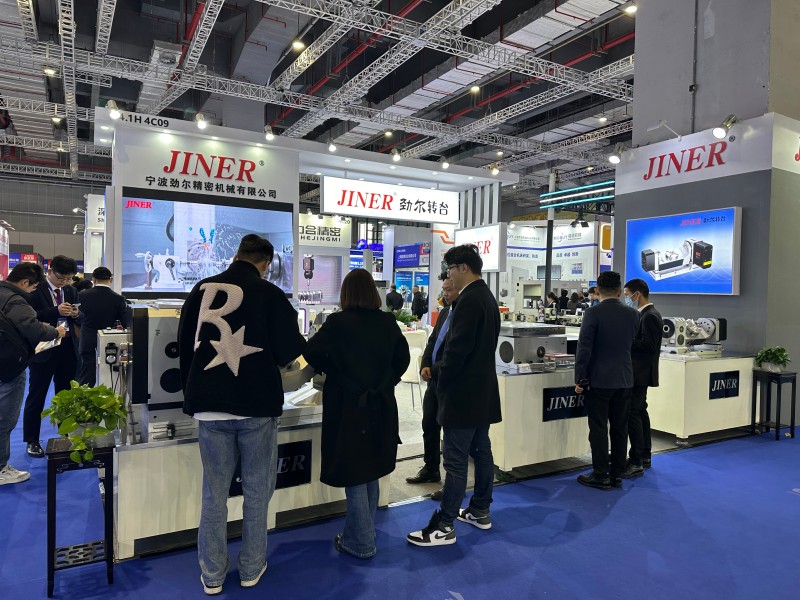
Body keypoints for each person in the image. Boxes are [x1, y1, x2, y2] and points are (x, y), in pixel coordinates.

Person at [178, 234, 306, 595]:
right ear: (265, 263)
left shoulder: (201, 289)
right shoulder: (270, 294)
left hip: (209, 405)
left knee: (214, 494)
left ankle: (212, 574)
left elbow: (185, 346)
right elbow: (289, 353)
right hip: (256, 405)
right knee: (256, 491)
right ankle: (251, 567)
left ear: (236, 255)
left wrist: (195, 393)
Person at [304, 269, 410, 559]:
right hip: (381, 405)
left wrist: (335, 369)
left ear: (346, 294)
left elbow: (311, 353)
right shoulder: (387, 322)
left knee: (353, 472)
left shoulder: (338, 323)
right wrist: (385, 383)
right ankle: (362, 533)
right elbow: (402, 359)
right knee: (372, 468)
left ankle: (362, 542)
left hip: (348, 406)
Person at [407, 244, 501, 547]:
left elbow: (457, 351)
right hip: (480, 393)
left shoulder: (470, 300)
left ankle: (444, 525)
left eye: (450, 269)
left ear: (463, 268)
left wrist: (439, 376)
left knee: (456, 461)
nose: (448, 276)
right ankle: (479, 510)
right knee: (481, 452)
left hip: (462, 395)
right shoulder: (486, 297)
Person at [574, 271, 639, 490]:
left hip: (599, 380)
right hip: (625, 379)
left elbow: (584, 348)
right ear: (619, 291)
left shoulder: (593, 313)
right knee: (620, 428)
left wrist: (580, 379)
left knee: (599, 428)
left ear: (597, 291)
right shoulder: (633, 314)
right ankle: (617, 473)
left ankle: (601, 474)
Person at [0, 263, 64, 485]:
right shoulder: (15, 300)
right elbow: (33, 328)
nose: (33, 291)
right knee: (6, 419)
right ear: (25, 282)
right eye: (33, 287)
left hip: (6, 361)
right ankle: (2, 467)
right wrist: (55, 331)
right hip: (12, 365)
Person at [406, 274, 460, 499]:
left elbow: (455, 353)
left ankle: (452, 483)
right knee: (429, 423)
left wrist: (434, 369)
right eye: (443, 290)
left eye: (449, 290)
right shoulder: (445, 313)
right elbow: (433, 342)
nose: (445, 294)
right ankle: (431, 469)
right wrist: (425, 364)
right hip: (434, 381)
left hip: (450, 382)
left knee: (450, 433)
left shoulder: (463, 315)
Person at [22, 255, 80, 458]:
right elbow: (31, 317)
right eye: (61, 277)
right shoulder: (35, 289)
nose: (64, 282)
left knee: (66, 396)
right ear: (50, 271)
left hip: (67, 349)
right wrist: (55, 310)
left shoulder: (71, 290)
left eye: (68, 278)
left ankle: (66, 434)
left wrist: (75, 314)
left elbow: (80, 317)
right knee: (36, 396)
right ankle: (32, 440)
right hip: (43, 349)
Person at [623, 278, 662, 475]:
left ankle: (636, 460)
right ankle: (644, 455)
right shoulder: (644, 315)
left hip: (640, 374)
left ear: (637, 294)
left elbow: (648, 346)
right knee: (640, 413)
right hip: (638, 372)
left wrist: (626, 340)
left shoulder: (650, 316)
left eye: (627, 295)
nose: (626, 298)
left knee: (633, 414)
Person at [76, 267, 129, 387]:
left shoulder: (81, 295)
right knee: (108, 370)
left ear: (93, 279)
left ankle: (84, 395)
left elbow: (77, 316)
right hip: (109, 339)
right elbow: (125, 322)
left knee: (86, 371)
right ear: (111, 280)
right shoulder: (119, 298)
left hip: (87, 337)